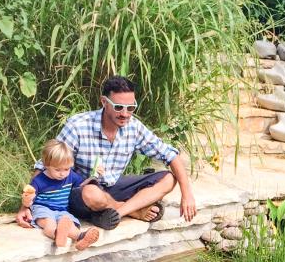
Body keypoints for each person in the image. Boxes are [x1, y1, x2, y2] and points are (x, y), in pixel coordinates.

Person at [16, 75, 198, 231]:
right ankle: (135, 211)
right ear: (104, 102)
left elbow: (170, 155)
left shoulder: (134, 127)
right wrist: (26, 207)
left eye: (131, 108)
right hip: (82, 192)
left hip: (114, 186)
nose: (125, 114)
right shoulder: (78, 125)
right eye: (118, 107)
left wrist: (187, 194)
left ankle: (115, 213)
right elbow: (46, 165)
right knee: (92, 193)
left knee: (169, 178)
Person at [22, 139, 101, 251]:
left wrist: (94, 176)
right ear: (46, 165)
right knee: (49, 222)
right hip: (42, 209)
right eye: (57, 169)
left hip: (62, 210)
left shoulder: (71, 176)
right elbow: (29, 200)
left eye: (66, 169)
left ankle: (81, 237)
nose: (62, 173)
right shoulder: (39, 181)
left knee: (68, 222)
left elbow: (82, 186)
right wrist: (26, 201)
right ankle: (56, 233)